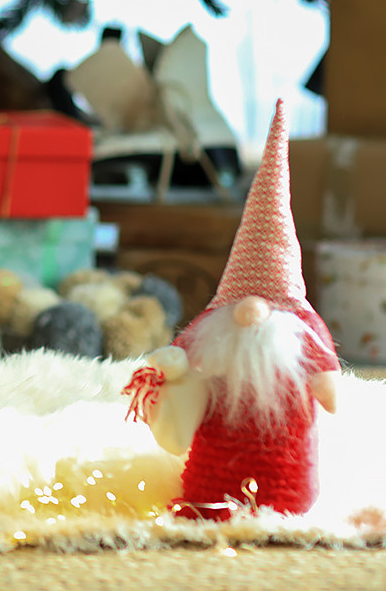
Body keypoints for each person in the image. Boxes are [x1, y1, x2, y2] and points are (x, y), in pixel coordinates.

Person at [124, 99, 340, 520]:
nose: (252, 311)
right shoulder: (214, 329)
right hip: (211, 485)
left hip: (287, 488)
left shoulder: (300, 331)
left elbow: (330, 394)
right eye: (245, 299)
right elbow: (177, 358)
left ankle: (259, 496)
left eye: (268, 300)